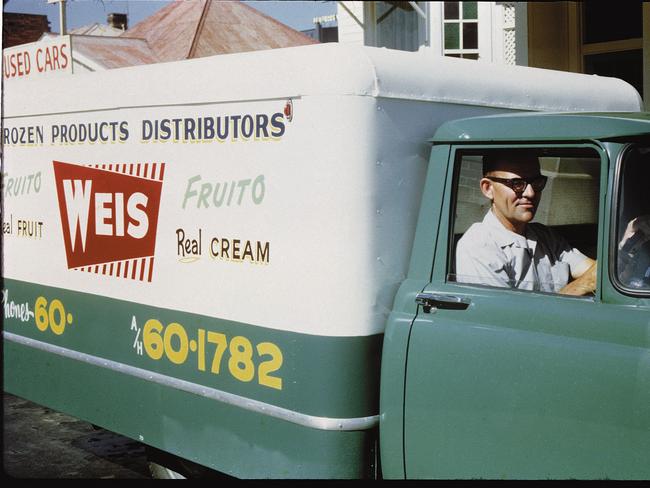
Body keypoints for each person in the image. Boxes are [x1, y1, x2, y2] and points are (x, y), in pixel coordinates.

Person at [455, 151, 596, 296]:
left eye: (536, 182)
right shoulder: (478, 247)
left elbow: (595, 272)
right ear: (488, 188)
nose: (530, 193)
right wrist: (580, 286)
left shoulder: (545, 237)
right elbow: (505, 315)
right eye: (517, 184)